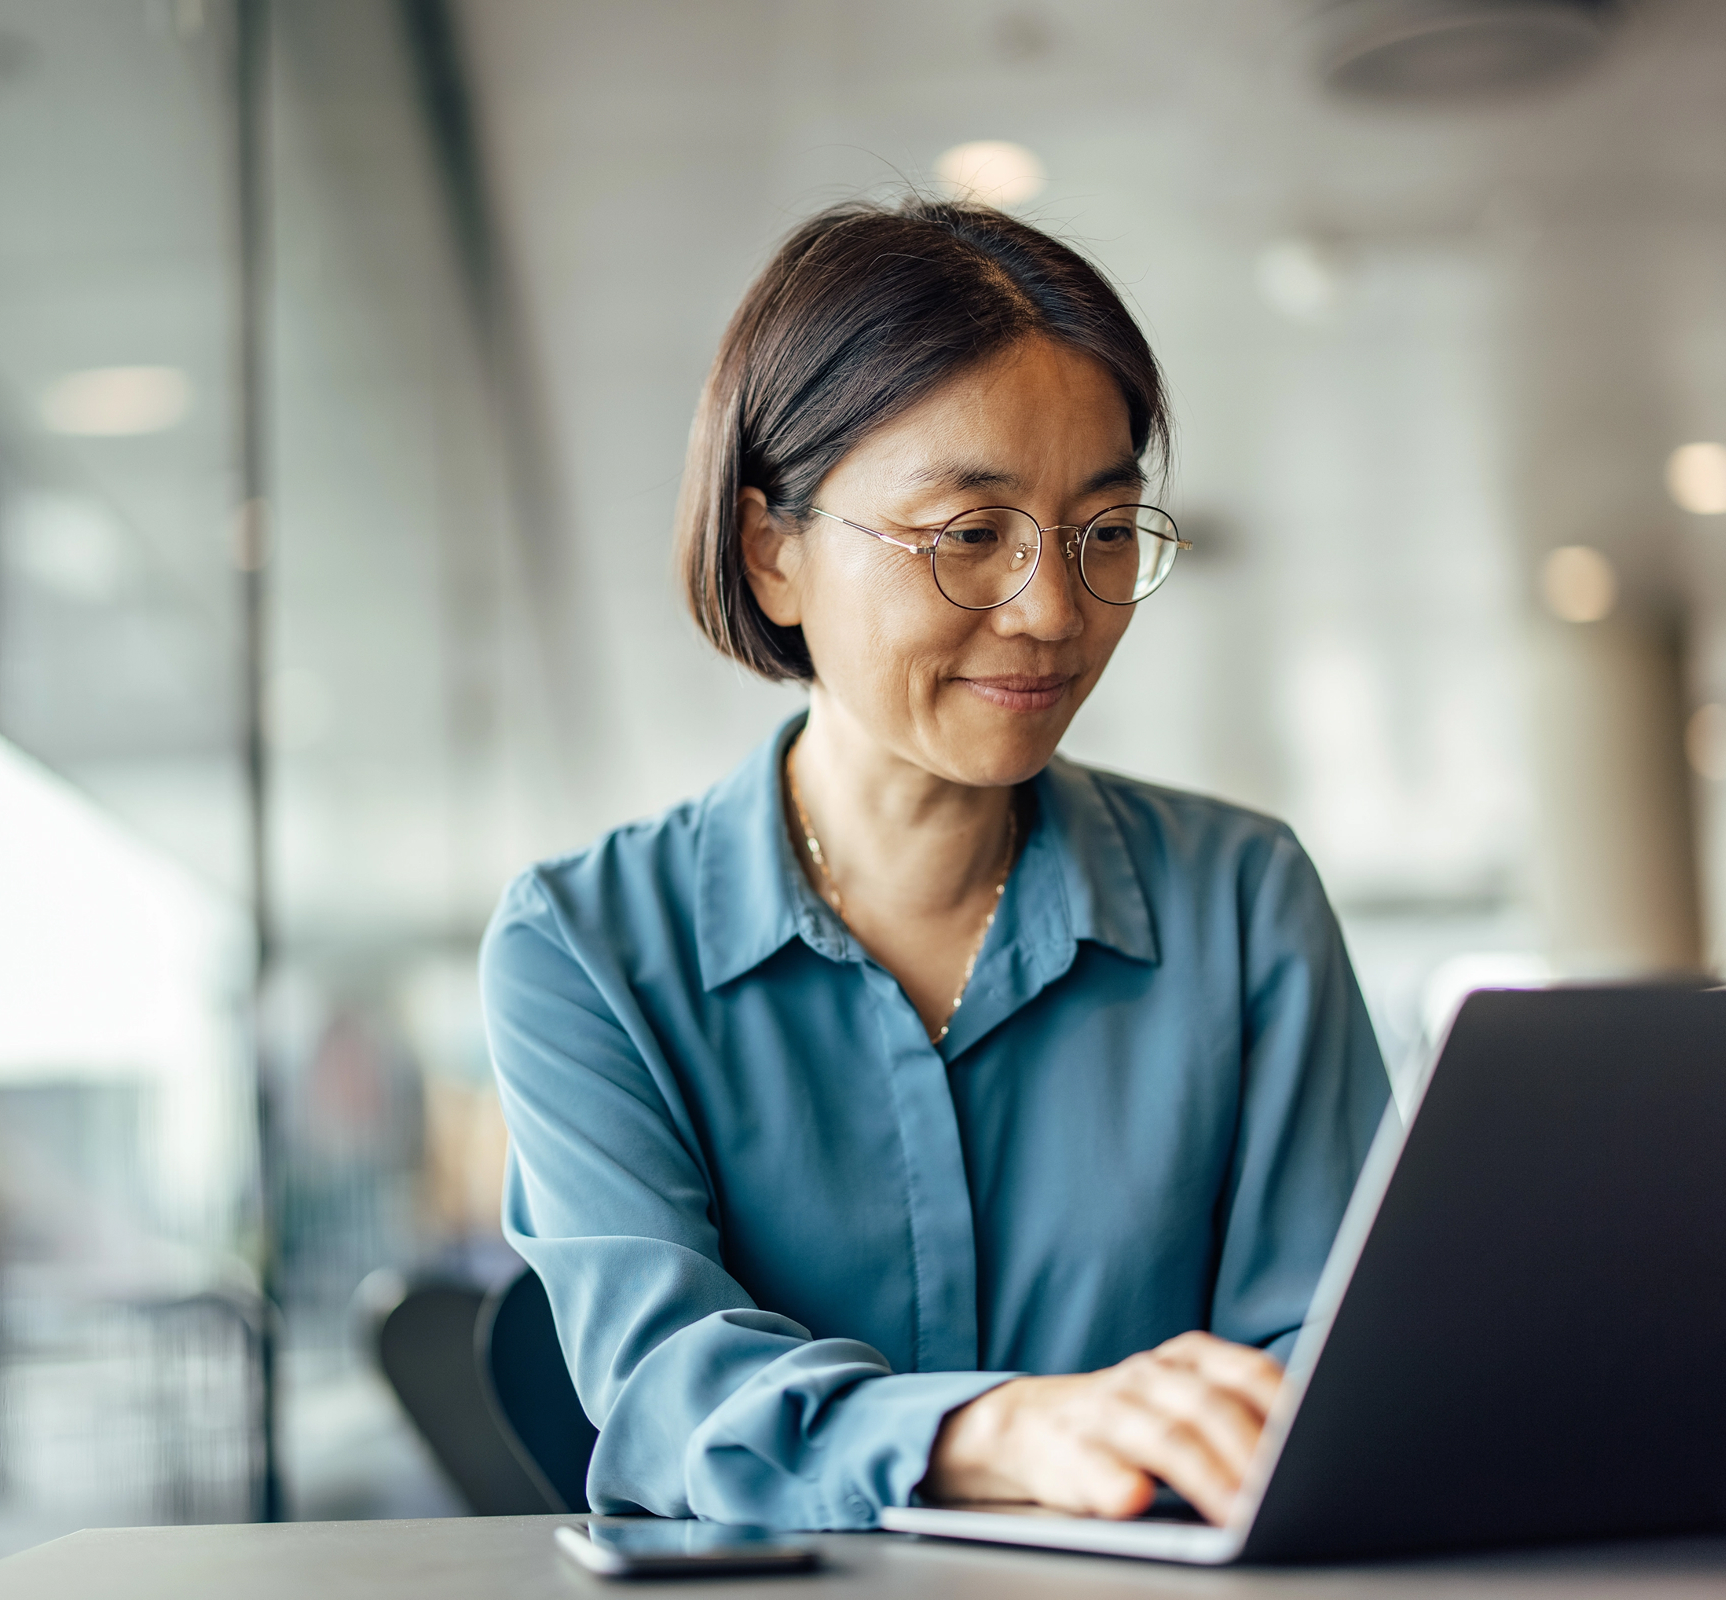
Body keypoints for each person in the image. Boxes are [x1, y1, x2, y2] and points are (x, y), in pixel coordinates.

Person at [479, 198, 1393, 1532]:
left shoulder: (1241, 900)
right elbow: (668, 1392)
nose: (1053, 613)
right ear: (771, 550)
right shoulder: (586, 944)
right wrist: (1001, 1429)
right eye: (972, 535)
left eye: (1101, 532)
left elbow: (1328, 1357)